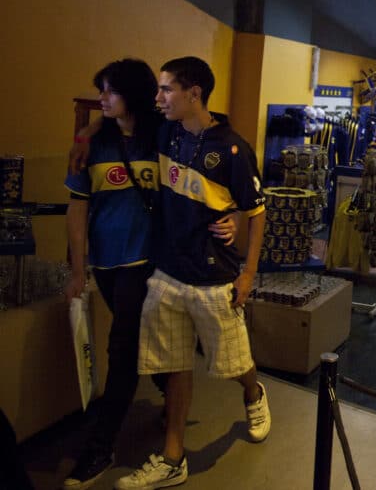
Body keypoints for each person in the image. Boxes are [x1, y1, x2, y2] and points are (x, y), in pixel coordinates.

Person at [62, 59, 234, 489]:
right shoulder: (94, 144)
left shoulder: (161, 137)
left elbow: (208, 142)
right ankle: (170, 393)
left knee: (121, 348)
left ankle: (100, 446)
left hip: (147, 260)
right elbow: (77, 208)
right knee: (138, 340)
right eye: (100, 91)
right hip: (105, 261)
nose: (103, 99)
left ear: (131, 95)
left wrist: (230, 218)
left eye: (110, 91)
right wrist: (78, 269)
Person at [115, 57, 268, 489]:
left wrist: (247, 273)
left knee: (232, 362)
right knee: (174, 363)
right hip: (167, 271)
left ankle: (253, 392)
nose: (158, 97)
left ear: (194, 92)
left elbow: (257, 212)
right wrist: (88, 131)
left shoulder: (234, 149)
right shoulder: (165, 132)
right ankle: (172, 456)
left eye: (167, 89)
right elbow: (112, 113)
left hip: (214, 275)